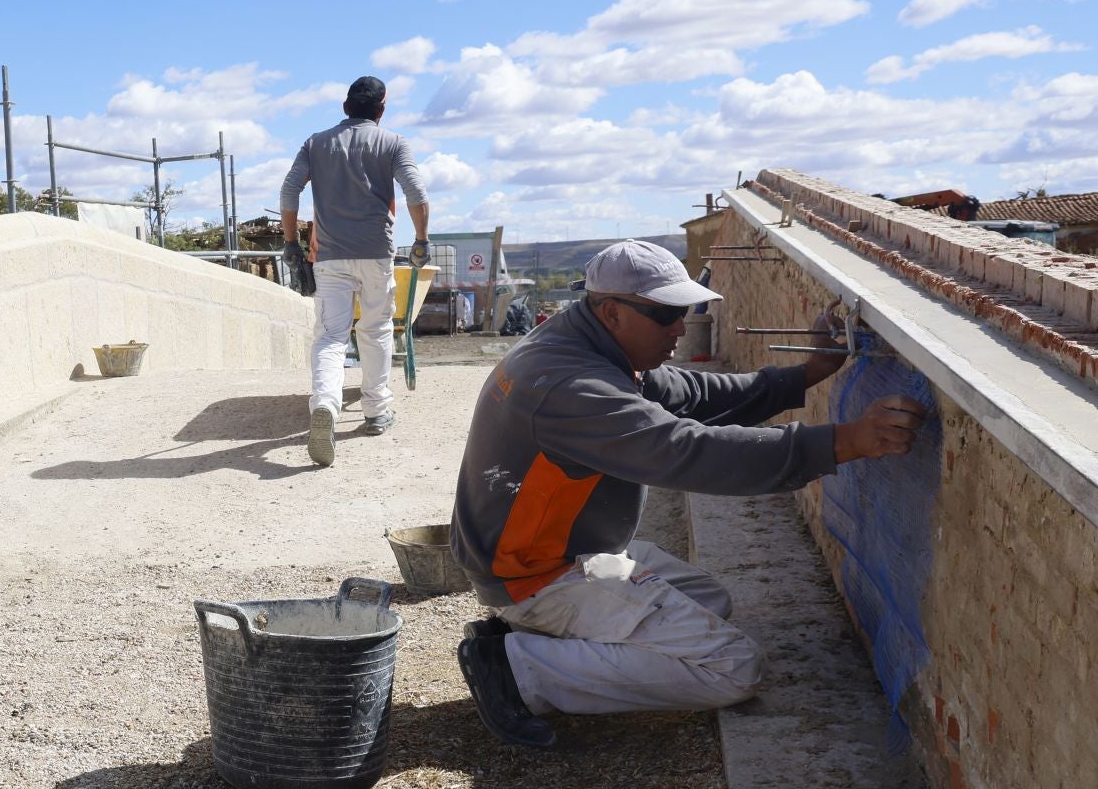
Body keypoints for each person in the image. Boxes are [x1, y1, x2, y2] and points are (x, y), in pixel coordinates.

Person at [449, 239, 924, 747]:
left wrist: (804, 375)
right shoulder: (570, 385)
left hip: (559, 550)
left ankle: (543, 641)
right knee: (734, 668)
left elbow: (693, 396)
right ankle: (517, 669)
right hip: (535, 574)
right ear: (612, 312)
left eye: (685, 311)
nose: (680, 327)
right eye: (666, 315)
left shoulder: (583, 343)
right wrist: (843, 442)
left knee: (708, 599)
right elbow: (684, 451)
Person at [278, 76, 431, 467]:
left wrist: (292, 243)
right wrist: (421, 239)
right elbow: (416, 192)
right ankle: (376, 411)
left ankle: (325, 405)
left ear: (346, 106)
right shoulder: (393, 143)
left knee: (330, 334)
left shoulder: (315, 143)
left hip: (329, 256)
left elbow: (289, 191)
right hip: (376, 253)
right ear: (381, 108)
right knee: (376, 329)